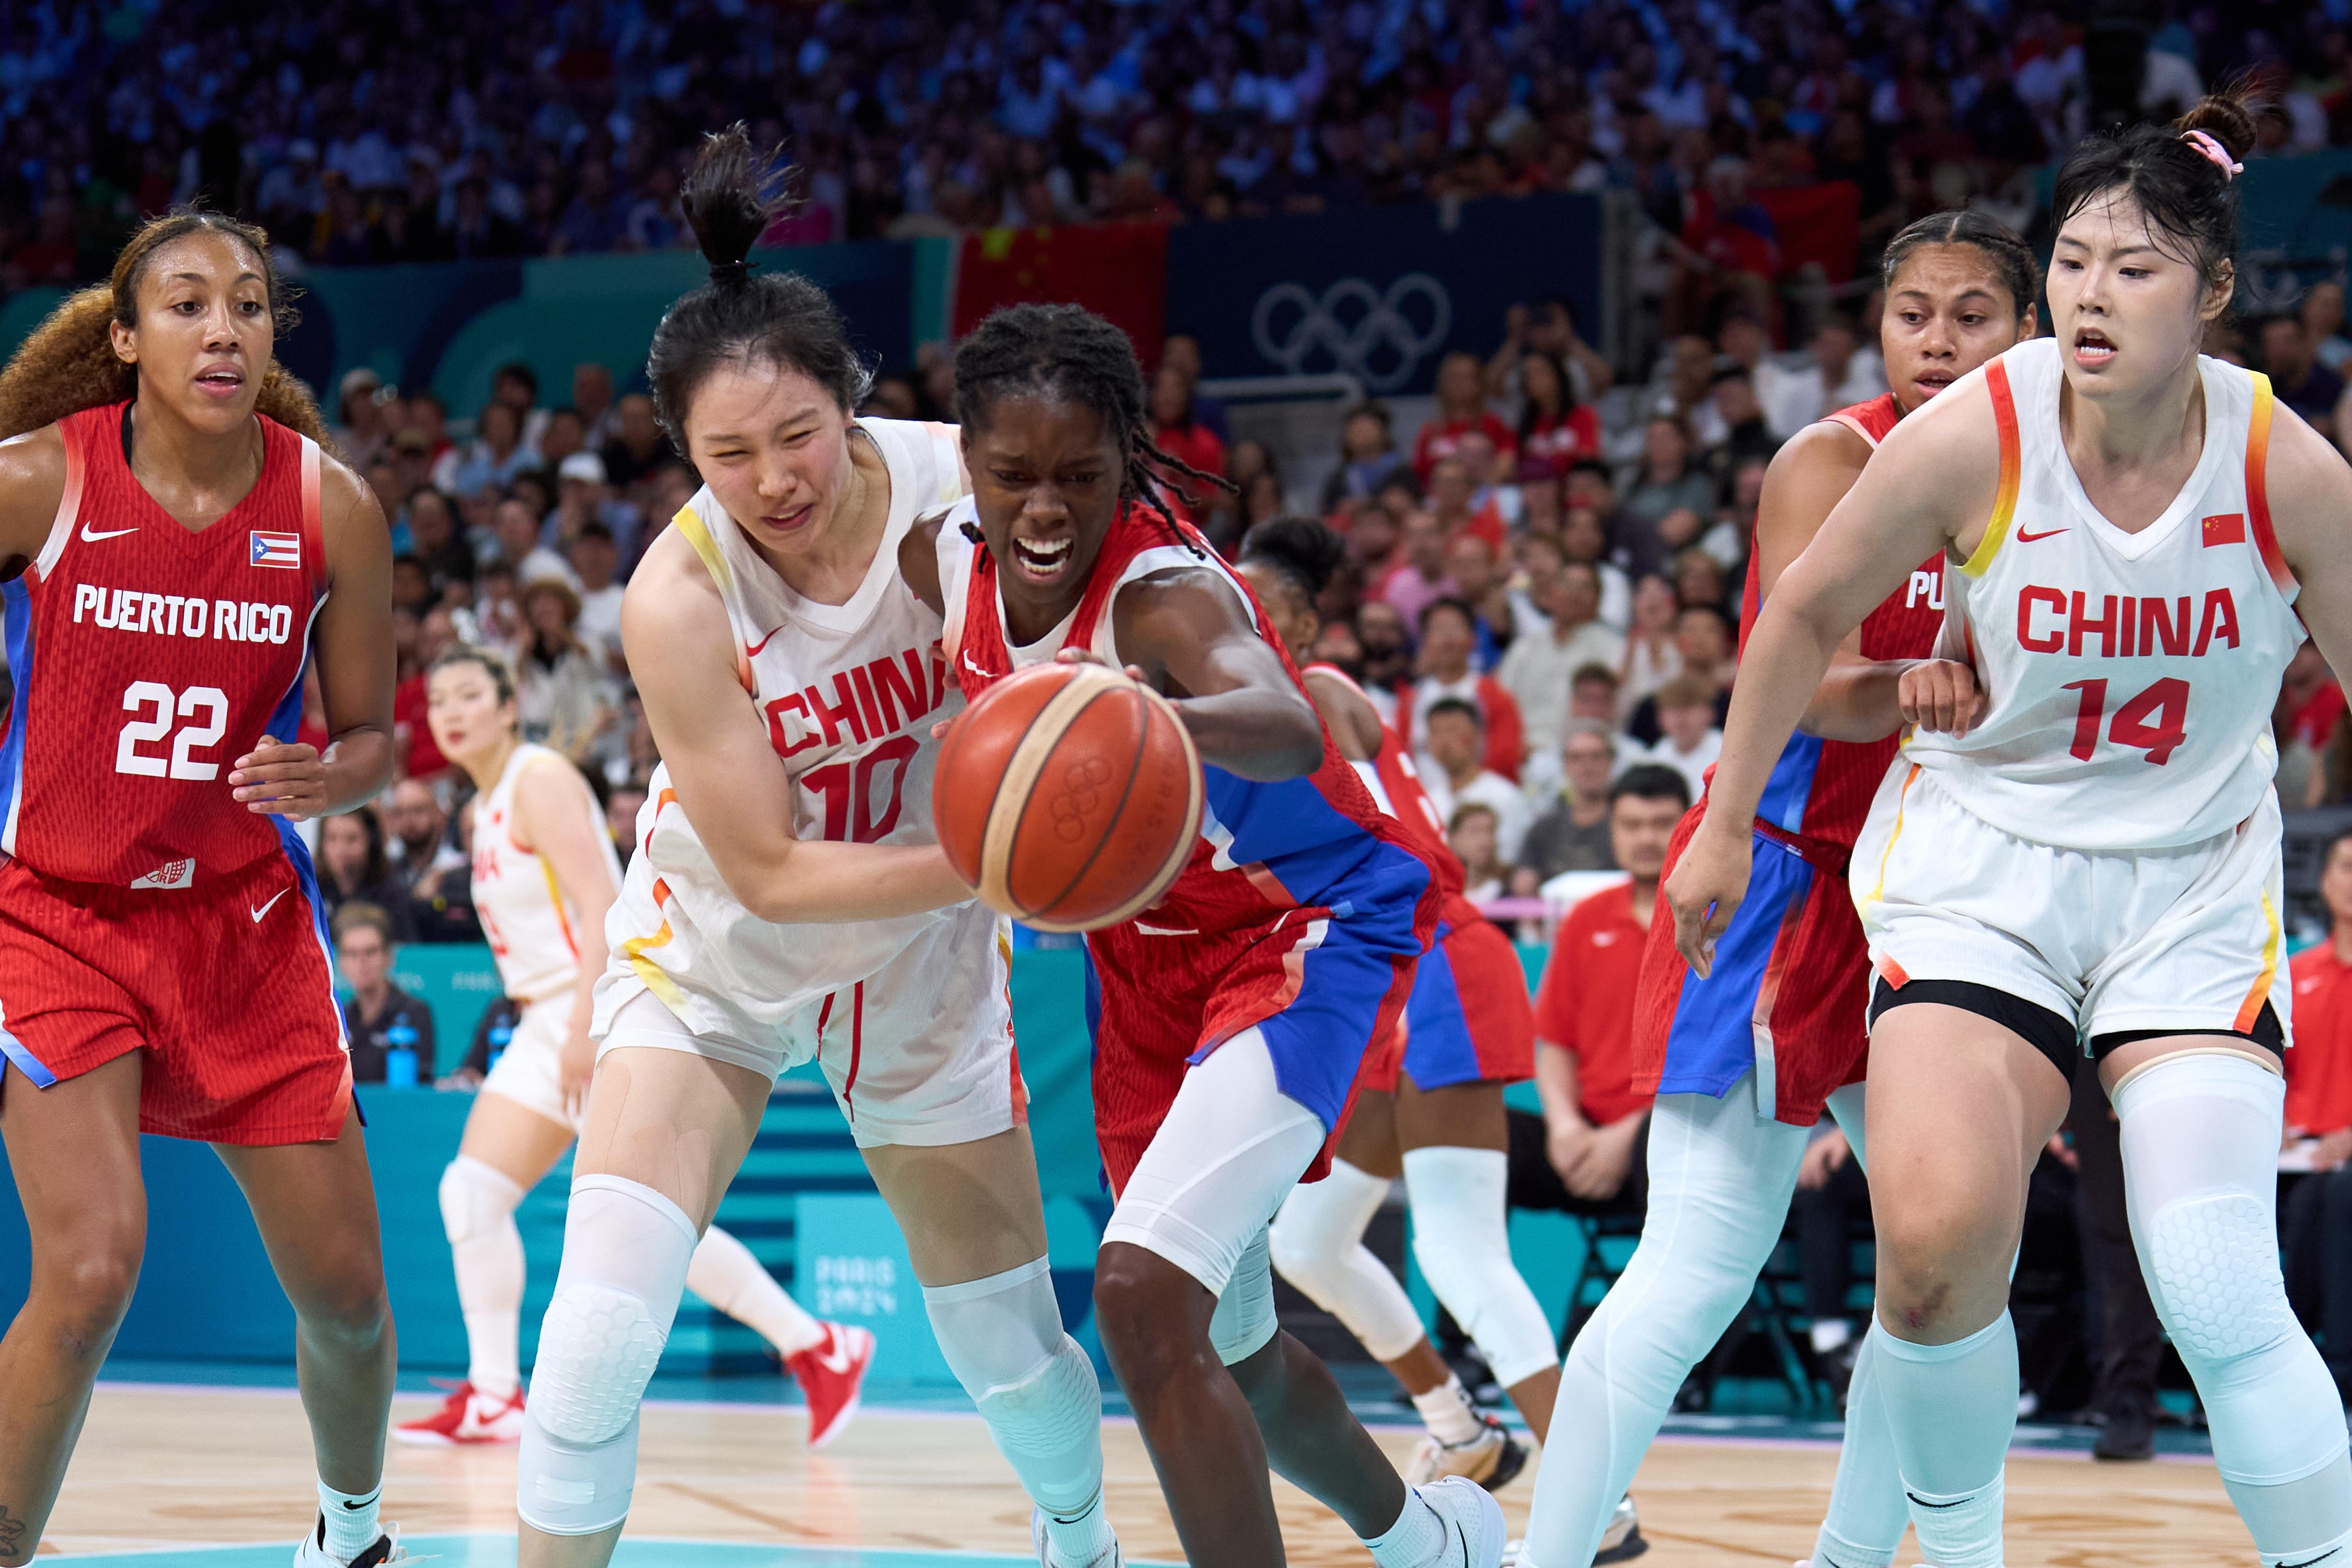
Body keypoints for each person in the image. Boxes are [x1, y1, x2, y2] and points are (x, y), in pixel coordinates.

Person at [1659, 99, 2352, 1568]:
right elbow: (1799, 612)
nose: (2091, 294)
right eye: (2073, 262)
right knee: (1925, 1259)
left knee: (2216, 1288)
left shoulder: (2284, 468)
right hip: (1981, 874)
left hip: (2187, 893)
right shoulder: (1977, 425)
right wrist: (1719, 827)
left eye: (2134, 269)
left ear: (2211, 293)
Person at [513, 130, 1115, 1568]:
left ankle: (1081, 1541)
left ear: (851, 399)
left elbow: (1124, 590)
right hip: (720, 953)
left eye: (797, 435)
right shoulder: (673, 596)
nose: (772, 478)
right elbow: (771, 873)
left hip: (920, 966)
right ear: (683, 455)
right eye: (727, 456)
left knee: (1010, 1349)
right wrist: (998, 861)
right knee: (595, 1337)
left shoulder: (965, 487)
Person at [935, 302, 1506, 1565]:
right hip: (1143, 963)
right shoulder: (947, 547)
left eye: (1081, 476)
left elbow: (1282, 720)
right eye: (1015, 475)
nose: (1044, 508)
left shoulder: (1162, 595)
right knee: (1231, 1344)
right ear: (964, 458)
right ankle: (1431, 1546)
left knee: (1140, 1297)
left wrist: (1142, 725)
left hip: (1296, 926)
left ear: (1127, 459)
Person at [1516, 205, 2040, 1568]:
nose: (1937, 340)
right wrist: (1919, 685)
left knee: (1939, 1276)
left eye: (1971, 315)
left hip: (1937, 903)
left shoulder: (2049, 479)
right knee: (1696, 1266)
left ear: (2028, 332)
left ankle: (1847, 1558)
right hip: (1788, 879)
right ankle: (1546, 1553)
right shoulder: (1832, 460)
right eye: (1912, 314)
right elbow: (1808, 681)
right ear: (1877, 330)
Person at [0, 208, 403, 1566]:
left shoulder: (331, 509)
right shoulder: (37, 485)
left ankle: (352, 1534)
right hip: (57, 917)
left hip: (245, 931)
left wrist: (330, 778)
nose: (223, 328)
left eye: (248, 304)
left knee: (349, 1300)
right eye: (185, 304)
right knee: (90, 1270)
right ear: (125, 339)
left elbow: (374, 737)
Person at [1239, 521, 1642, 1559]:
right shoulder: (1277, 705)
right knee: (1307, 1241)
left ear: (1299, 621)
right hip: (1384, 974)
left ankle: (1599, 1500)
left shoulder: (1314, 692)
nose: (1236, 624)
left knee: (1462, 1253)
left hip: (1437, 959)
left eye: (1259, 607)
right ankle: (1460, 1430)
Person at [399, 646, 867, 1448]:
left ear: (509, 707)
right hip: (545, 1018)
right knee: (474, 1194)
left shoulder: (539, 780)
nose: (451, 712)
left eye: (471, 694)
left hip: (582, 1011)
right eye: (439, 699)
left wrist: (586, 1024)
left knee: (639, 1218)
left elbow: (598, 898)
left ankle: (814, 1344)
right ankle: (496, 1394)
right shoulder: (487, 803)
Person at [1523, 765, 1689, 1217]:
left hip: (1681, 1133)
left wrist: (1630, 1137)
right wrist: (1564, 1126)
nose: (1646, 838)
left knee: (1659, 1144)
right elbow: (1556, 1044)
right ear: (1612, 831)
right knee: (1490, 1139)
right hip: (1590, 1135)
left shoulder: (1718, 921)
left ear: (1690, 826)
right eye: (1631, 825)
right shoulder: (1585, 919)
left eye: (1661, 824)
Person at [2285, 827, 2352, 1409]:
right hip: (2291, 1159)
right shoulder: (2292, 974)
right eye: (2347, 867)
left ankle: (2332, 1380)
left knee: (2331, 1199)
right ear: (2325, 881)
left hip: (2341, 1168)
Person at [1496, 563, 1625, 765]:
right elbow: (1501, 704)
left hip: (1584, 757)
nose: (1574, 594)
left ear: (1598, 600)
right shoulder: (1525, 648)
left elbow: (1615, 713)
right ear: (1551, 594)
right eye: (1567, 585)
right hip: (1521, 754)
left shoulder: (1614, 649)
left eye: (1584, 587)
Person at [1408, 598, 1525, 783]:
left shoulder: (1495, 696)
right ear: (1424, 641)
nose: (1448, 638)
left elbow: (1506, 758)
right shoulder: (1409, 701)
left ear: (1473, 639)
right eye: (1438, 629)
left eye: (1455, 627)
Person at [1416, 698, 1531, 864]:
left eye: (1453, 730)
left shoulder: (1504, 796)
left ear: (1477, 736)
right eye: (1435, 732)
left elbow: (1511, 860)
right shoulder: (1428, 800)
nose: (1444, 741)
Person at [334, 902, 437, 1085]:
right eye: (352, 953)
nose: (361, 962)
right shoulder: (340, 1019)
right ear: (341, 962)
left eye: (370, 952)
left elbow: (420, 1086)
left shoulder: (415, 1012)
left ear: (388, 956)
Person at [1514, 720, 1621, 890]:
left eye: (1596, 756)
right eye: (1576, 757)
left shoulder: (1629, 825)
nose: (1587, 766)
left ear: (1611, 761)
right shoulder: (1544, 829)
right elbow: (1524, 888)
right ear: (1565, 765)